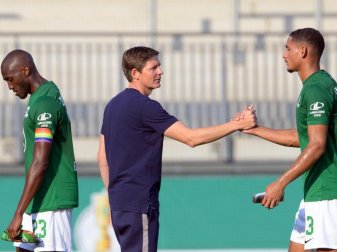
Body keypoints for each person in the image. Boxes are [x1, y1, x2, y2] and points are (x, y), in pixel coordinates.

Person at [97, 46, 257, 252]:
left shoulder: (112, 105)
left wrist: (115, 197)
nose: (160, 71)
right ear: (135, 73)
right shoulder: (145, 106)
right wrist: (237, 125)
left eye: (159, 66)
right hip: (139, 203)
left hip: (120, 204)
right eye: (153, 67)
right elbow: (191, 138)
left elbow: (102, 157)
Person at [241, 28, 337, 252]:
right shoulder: (321, 84)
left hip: (328, 191)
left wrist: (281, 182)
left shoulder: (316, 89)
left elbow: (316, 145)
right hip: (315, 190)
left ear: (302, 51)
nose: (284, 54)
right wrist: (256, 129)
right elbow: (303, 137)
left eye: (287, 48)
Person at [1, 49, 78, 252]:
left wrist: (18, 213)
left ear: (25, 70)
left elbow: (40, 161)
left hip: (52, 201)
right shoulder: (39, 98)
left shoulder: (45, 103)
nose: (9, 86)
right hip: (38, 199)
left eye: (10, 79)